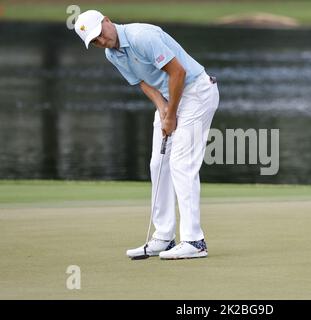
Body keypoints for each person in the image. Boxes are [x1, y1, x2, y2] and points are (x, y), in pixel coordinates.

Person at [74, 10, 219, 260]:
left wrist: (171, 114)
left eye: (100, 34)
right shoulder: (112, 54)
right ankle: (164, 237)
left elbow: (178, 73)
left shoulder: (141, 36)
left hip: (196, 92)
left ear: (107, 21)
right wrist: (162, 108)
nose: (101, 41)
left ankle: (195, 241)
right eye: (94, 41)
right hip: (170, 97)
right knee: (158, 164)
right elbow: (142, 82)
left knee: (181, 164)